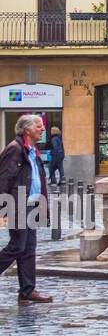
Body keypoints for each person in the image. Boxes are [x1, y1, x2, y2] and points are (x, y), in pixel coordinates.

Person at [0, 114, 53, 304]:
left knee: (29, 249)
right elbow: (4, 179)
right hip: (17, 204)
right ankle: (27, 291)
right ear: (27, 130)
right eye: (38, 126)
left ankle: (27, 291)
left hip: (32, 205)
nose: (42, 129)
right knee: (17, 247)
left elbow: (38, 180)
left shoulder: (33, 150)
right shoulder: (15, 150)